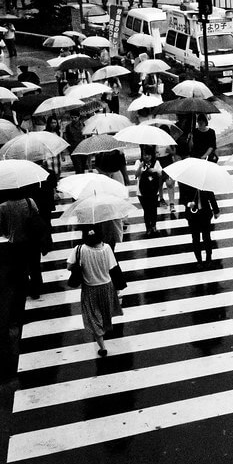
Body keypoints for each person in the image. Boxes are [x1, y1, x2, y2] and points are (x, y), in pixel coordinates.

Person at [67, 228, 124, 357]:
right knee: (105, 314)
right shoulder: (107, 248)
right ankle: (103, 331)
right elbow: (112, 267)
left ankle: (102, 345)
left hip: (90, 288)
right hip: (106, 287)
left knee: (93, 317)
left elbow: (69, 266)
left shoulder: (80, 249)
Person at [0, 194, 45, 299]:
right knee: (35, 266)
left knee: (19, 267)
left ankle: (22, 290)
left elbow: (3, 225)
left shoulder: (3, 206)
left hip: (15, 241)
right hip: (32, 240)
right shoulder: (29, 201)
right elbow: (36, 215)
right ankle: (35, 290)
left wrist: (8, 233)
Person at [180, 183, 219, 265]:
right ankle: (199, 260)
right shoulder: (185, 183)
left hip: (205, 214)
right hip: (192, 215)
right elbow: (182, 199)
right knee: (195, 238)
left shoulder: (205, 182)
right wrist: (188, 204)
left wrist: (216, 211)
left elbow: (211, 197)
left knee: (207, 237)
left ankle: (209, 258)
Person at [135, 148, 163, 236]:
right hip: (142, 191)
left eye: (148, 155)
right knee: (146, 210)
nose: (147, 157)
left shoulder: (156, 162)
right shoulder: (138, 162)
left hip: (154, 190)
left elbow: (160, 173)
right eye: (145, 155)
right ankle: (148, 228)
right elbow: (136, 175)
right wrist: (140, 167)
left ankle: (154, 226)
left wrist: (154, 170)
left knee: (153, 209)